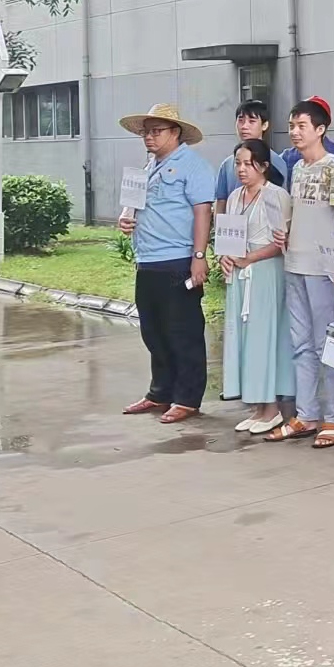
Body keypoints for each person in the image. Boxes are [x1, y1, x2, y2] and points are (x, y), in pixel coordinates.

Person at [119, 101, 216, 425]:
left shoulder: (193, 165)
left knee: (183, 332)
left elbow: (203, 212)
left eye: (156, 131)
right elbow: (135, 207)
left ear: (176, 132)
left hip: (177, 260)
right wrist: (126, 218)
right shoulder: (148, 167)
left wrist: (199, 257)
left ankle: (187, 398)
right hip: (148, 260)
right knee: (154, 331)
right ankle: (160, 392)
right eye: (146, 132)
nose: (149, 137)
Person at [268, 98, 334, 447]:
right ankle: (305, 414)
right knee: (301, 345)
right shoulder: (298, 168)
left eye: (302, 126)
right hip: (294, 264)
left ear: (320, 129)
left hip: (323, 271)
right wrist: (286, 233)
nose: (295, 132)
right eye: (291, 126)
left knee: (326, 345)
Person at [220, 140, 293, 435]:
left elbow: (281, 241)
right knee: (245, 338)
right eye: (238, 163)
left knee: (264, 338)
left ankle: (272, 408)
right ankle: (257, 406)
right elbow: (227, 235)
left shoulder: (276, 196)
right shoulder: (234, 196)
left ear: (263, 166)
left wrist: (250, 257)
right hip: (240, 273)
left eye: (247, 164)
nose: (241, 169)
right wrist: (226, 256)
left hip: (265, 274)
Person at [215, 99, 286, 212]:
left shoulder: (276, 161)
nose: (244, 126)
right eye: (241, 120)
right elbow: (221, 201)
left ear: (265, 125)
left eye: (252, 121)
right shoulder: (227, 164)